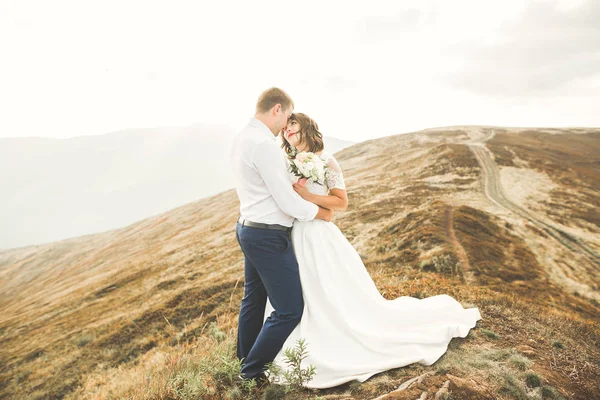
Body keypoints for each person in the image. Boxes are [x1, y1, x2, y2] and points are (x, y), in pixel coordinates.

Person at [262, 112, 483, 389]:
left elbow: (340, 203)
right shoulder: (286, 163)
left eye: (292, 124)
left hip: (319, 236)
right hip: (294, 236)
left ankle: (337, 334)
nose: (287, 131)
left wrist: (308, 197)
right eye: (284, 128)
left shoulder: (326, 160)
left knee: (329, 290)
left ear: (305, 126)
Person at [229, 88, 334, 384]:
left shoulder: (242, 138)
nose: (285, 125)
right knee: (289, 309)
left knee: (254, 299)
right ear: (277, 109)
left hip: (248, 226)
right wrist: (319, 214)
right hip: (267, 235)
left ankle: (242, 360)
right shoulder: (263, 145)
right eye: (287, 116)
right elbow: (286, 203)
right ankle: (251, 372)